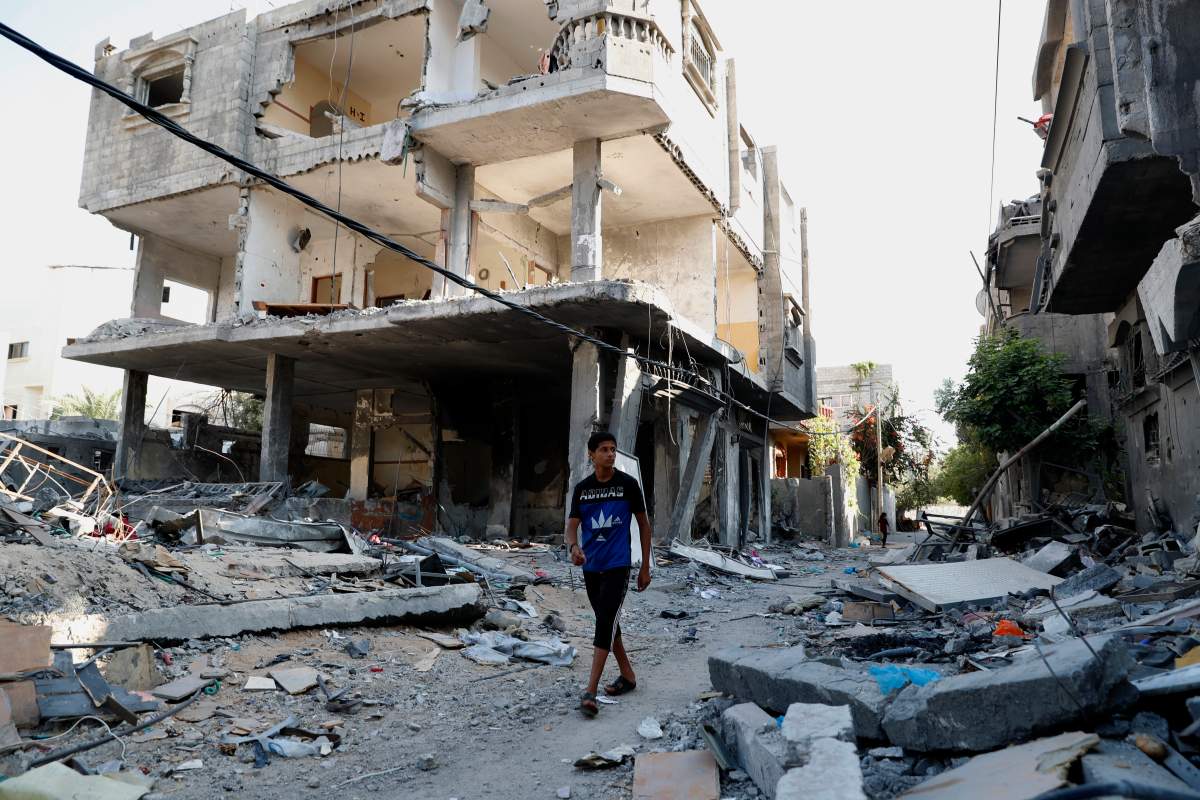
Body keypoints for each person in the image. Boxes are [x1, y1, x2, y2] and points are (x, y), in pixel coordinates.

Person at [565, 431, 651, 718]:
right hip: (591, 567)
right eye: (604, 449)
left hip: (618, 565)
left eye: (613, 449)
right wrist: (574, 547)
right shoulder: (582, 489)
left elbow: (644, 526)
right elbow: (571, 527)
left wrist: (645, 566)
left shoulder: (627, 485)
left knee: (604, 622)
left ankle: (590, 691)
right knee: (609, 623)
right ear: (591, 454)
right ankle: (628, 676)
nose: (610, 454)